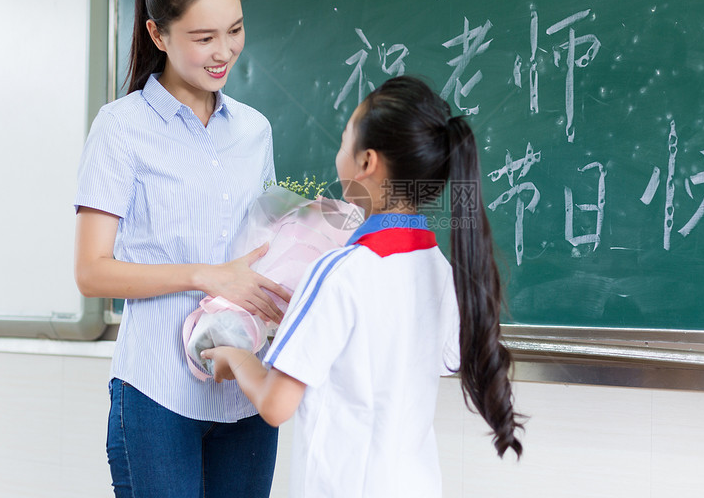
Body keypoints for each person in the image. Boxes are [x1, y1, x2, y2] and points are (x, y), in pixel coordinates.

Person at [203, 75, 525, 497]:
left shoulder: (337, 271)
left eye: (342, 142)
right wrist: (301, 323)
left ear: (367, 162)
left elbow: (275, 404)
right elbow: (405, 355)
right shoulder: (441, 270)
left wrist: (235, 357)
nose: (338, 154)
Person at [74, 0, 289, 498]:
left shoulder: (254, 131)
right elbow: (92, 273)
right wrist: (206, 275)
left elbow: (264, 244)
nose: (224, 52)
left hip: (244, 383)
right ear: (157, 34)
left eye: (235, 31)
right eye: (203, 38)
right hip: (156, 393)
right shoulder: (120, 129)